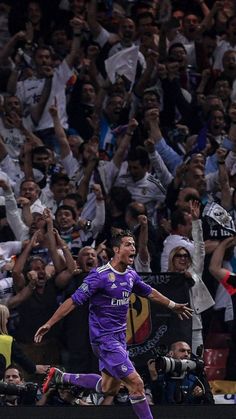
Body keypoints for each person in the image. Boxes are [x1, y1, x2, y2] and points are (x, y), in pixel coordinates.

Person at [34, 231, 192, 419]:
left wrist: (173, 305)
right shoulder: (99, 276)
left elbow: (150, 292)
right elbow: (73, 301)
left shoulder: (131, 275)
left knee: (107, 388)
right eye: (128, 244)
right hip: (103, 339)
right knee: (136, 384)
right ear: (116, 250)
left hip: (118, 339)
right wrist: (50, 323)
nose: (133, 248)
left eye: (134, 244)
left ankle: (61, 376)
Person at [147, 340, 214, 405]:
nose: (186, 354)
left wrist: (202, 395)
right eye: (182, 351)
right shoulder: (161, 375)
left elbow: (211, 404)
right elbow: (156, 403)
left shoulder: (196, 376)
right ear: (171, 353)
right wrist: (154, 378)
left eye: (189, 352)